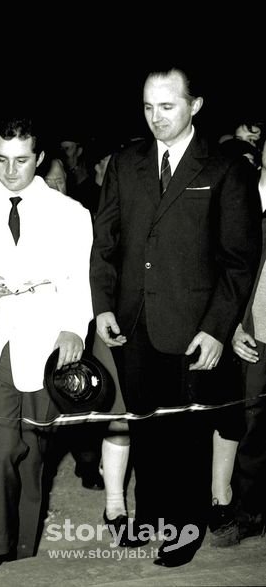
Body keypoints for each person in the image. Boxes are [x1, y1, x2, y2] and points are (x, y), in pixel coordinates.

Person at [90, 67, 262, 568]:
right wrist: (102, 306)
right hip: (133, 323)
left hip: (193, 328)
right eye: (148, 107)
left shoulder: (225, 169)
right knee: (145, 427)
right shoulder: (126, 163)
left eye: (167, 106)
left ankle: (183, 528)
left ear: (196, 105)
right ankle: (152, 516)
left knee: (187, 434)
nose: (156, 117)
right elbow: (106, 243)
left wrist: (217, 329)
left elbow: (239, 260)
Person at [0, 117, 94, 569]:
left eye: (21, 160)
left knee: (33, 452)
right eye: (1, 159)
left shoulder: (70, 212)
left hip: (46, 343)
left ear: (40, 158)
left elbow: (80, 279)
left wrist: (74, 327)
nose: (10, 170)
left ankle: (26, 546)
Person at [231, 141, 266, 541]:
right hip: (252, 333)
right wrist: (232, 327)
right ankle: (245, 509)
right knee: (248, 421)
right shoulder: (240, 196)